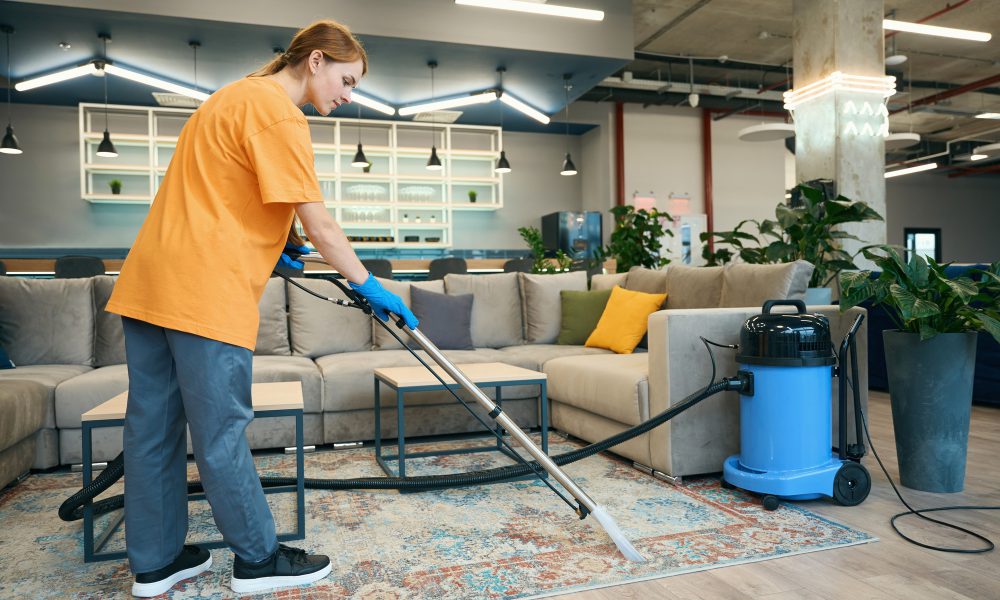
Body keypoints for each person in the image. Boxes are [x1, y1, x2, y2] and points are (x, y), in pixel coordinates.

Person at [105, 19, 417, 598]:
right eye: (347, 80)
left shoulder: (228, 97)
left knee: (152, 426)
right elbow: (319, 221)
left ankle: (156, 562)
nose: (348, 96)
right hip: (204, 287)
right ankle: (258, 559)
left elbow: (223, 192)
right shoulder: (279, 113)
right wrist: (369, 281)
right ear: (316, 61)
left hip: (151, 278)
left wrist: (275, 241)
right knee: (221, 430)